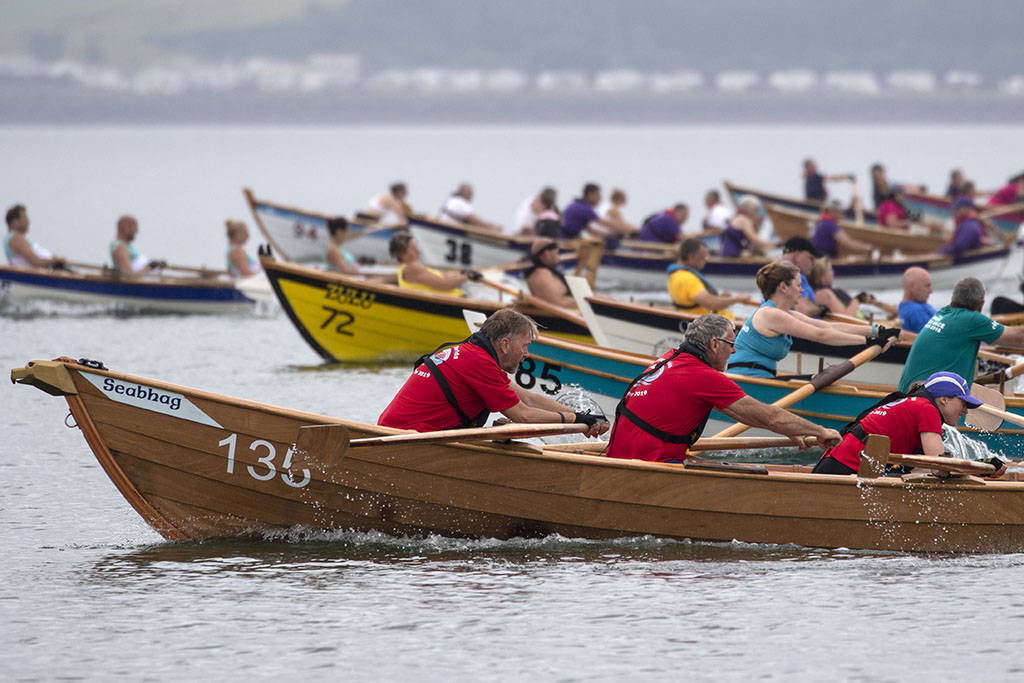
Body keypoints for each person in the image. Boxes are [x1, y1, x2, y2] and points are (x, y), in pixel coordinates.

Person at [605, 313, 841, 463]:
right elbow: (770, 418)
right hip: (650, 465)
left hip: (619, 459)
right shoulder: (702, 377)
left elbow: (745, 414)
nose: (735, 351)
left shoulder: (669, 360)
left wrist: (791, 430)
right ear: (715, 344)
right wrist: (821, 431)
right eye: (732, 344)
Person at [378, 308, 609, 436]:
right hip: (401, 440)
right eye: (525, 345)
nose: (527, 353)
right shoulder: (478, 363)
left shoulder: (473, 355)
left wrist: (583, 416)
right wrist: (573, 420)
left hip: (401, 435)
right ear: (506, 344)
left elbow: (527, 398)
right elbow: (523, 416)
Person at [812, 371, 1005, 477]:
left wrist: (977, 469)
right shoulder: (927, 410)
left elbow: (922, 468)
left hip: (835, 465)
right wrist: (982, 467)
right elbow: (938, 466)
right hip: (843, 471)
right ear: (944, 399)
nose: (965, 411)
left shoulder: (915, 405)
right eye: (963, 403)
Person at [728, 261, 898, 379]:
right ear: (783, 287)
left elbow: (829, 326)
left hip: (761, 378)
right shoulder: (771, 314)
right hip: (745, 381)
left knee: (822, 378)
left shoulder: (784, 313)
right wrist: (867, 342)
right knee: (821, 380)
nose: (802, 290)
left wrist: (877, 330)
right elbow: (821, 335)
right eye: (798, 284)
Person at [897, 277, 1024, 391]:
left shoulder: (944, 312)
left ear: (954, 298)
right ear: (981, 305)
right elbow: (1019, 338)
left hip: (906, 394)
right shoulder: (971, 320)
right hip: (924, 402)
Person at [667, 238, 749, 318]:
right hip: (715, 324)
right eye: (703, 257)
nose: (706, 260)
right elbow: (711, 303)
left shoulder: (675, 275)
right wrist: (738, 299)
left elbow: (698, 301)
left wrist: (720, 298)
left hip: (715, 318)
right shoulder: (687, 279)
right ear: (691, 258)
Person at [389, 231, 476, 295]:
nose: (418, 252)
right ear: (403, 253)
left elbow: (443, 276)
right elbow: (445, 284)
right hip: (455, 303)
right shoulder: (412, 268)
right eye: (413, 249)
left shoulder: (408, 268)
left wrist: (461, 274)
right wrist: (468, 276)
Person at [809, 257, 897, 319]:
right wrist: (857, 300)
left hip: (861, 320)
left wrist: (873, 302)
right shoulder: (824, 294)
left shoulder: (826, 291)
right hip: (856, 325)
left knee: (895, 312)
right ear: (821, 276)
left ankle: (897, 311)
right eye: (830, 270)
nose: (833, 273)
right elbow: (844, 318)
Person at [560, 183, 636, 241]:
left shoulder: (577, 204)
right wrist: (634, 230)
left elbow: (591, 230)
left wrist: (610, 235)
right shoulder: (585, 209)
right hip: (563, 239)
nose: (600, 198)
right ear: (591, 195)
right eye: (598, 195)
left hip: (566, 237)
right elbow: (608, 224)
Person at [4, 204, 65, 269]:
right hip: (47, 272)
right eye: (25, 218)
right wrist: (55, 260)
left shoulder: (16, 237)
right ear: (15, 221)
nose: (28, 222)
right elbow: (36, 262)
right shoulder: (15, 238)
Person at [779, 236, 825, 317]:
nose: (813, 263)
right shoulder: (795, 276)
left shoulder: (772, 272)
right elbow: (804, 310)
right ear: (797, 256)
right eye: (811, 258)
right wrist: (821, 309)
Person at [524, 238, 575, 309]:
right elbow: (558, 304)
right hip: (555, 317)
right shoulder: (542, 274)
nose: (559, 258)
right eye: (557, 253)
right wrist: (582, 300)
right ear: (546, 254)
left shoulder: (546, 272)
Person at [897, 266, 935, 334]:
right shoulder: (916, 311)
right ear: (911, 286)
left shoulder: (903, 306)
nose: (931, 291)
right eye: (926, 286)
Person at [698, 189, 732, 253]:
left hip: (717, 245)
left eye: (705, 199)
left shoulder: (717, 211)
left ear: (709, 200)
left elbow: (718, 230)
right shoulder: (719, 209)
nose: (704, 202)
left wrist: (696, 235)